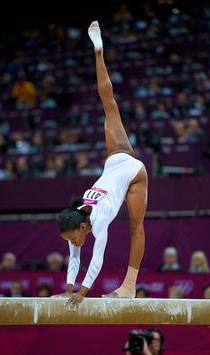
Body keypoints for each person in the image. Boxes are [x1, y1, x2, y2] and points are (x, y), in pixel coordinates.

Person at [57, 21, 148, 304]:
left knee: (136, 227)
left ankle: (130, 285)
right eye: (70, 241)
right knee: (108, 103)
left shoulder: (96, 225)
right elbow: (75, 259)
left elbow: (97, 260)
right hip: (115, 159)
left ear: (82, 228)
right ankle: (98, 51)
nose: (73, 244)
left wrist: (83, 294)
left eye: (73, 239)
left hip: (134, 173)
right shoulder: (76, 221)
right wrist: (69, 288)